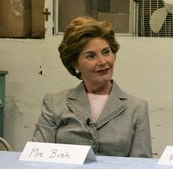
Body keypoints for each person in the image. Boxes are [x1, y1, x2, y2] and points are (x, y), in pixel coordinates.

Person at [32, 16, 152, 158]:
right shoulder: (54, 103)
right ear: (75, 64)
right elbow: (37, 157)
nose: (103, 61)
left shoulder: (137, 108)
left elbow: (141, 167)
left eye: (106, 52)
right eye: (91, 56)